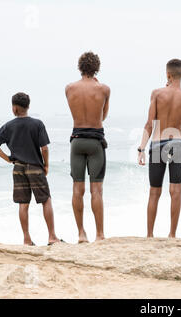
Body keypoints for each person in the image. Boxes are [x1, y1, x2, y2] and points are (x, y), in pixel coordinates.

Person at [0, 92, 61, 246]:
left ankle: (27, 239)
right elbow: (45, 148)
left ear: (14, 108)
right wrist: (46, 165)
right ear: (28, 106)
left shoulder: (8, 126)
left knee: (23, 203)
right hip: (35, 167)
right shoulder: (37, 124)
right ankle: (52, 237)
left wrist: (8, 158)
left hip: (18, 168)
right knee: (46, 200)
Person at [137, 59, 181, 238]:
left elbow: (149, 124)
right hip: (177, 142)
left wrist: (141, 149)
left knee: (155, 191)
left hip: (158, 143)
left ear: (167, 74)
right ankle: (172, 235)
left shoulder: (157, 93)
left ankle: (150, 235)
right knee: (175, 190)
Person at [65, 51, 110, 243]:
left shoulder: (69, 88)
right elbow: (102, 117)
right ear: (97, 68)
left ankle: (81, 234)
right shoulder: (104, 89)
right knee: (96, 190)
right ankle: (99, 234)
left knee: (77, 188)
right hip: (95, 141)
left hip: (77, 140)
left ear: (80, 67)